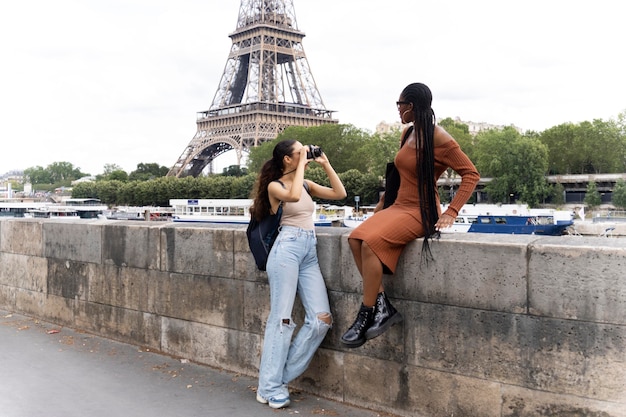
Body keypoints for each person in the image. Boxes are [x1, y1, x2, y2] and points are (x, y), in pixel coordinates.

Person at [341, 82, 480, 348]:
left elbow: (471, 174)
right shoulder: (408, 133)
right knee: (355, 238)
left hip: (421, 211)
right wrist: (380, 209)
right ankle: (382, 307)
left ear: (411, 106)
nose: (398, 109)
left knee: (370, 243)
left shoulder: (439, 137)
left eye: (400, 104)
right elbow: (398, 178)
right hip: (398, 207)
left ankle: (366, 314)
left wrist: (452, 211)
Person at [251, 139, 347, 409]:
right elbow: (292, 198)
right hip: (286, 250)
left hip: (308, 250)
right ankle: (270, 386)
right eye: (299, 152)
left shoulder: (305, 184)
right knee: (281, 319)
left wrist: (325, 164)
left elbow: (340, 193)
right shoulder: (276, 186)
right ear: (287, 160)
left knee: (321, 320)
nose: (305, 153)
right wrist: (303, 164)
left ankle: (276, 380)